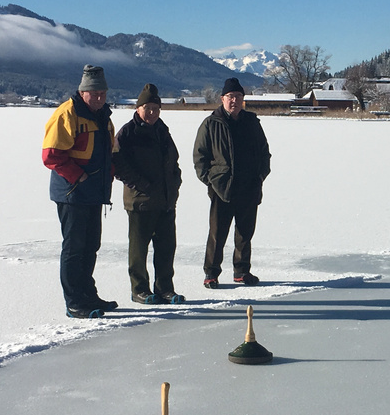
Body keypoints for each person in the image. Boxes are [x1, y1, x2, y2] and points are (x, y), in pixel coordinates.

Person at [42, 65, 118, 317]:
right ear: (83, 92)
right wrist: (80, 176)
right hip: (72, 193)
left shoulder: (103, 117)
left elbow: (108, 154)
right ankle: (74, 301)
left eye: (102, 93)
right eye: (94, 93)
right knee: (74, 248)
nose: (99, 98)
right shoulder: (67, 114)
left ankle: (89, 295)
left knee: (90, 246)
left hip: (94, 193)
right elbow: (51, 156)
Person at [193, 77, 271, 289]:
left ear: (243, 99)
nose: (234, 100)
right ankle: (211, 273)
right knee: (217, 234)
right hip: (222, 188)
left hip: (249, 186)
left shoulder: (252, 122)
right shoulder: (211, 123)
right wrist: (210, 180)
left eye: (238, 96)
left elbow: (265, 153)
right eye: (230, 97)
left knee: (245, 234)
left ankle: (241, 271)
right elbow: (200, 157)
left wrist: (260, 175)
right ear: (222, 99)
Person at [114, 83, 185, 305]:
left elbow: (173, 161)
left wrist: (175, 183)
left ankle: (165, 288)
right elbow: (118, 165)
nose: (152, 113)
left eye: (156, 108)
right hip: (140, 202)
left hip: (165, 201)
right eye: (148, 108)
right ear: (138, 109)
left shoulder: (163, 132)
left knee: (166, 249)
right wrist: (142, 185)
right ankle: (139, 289)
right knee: (138, 251)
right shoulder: (128, 133)